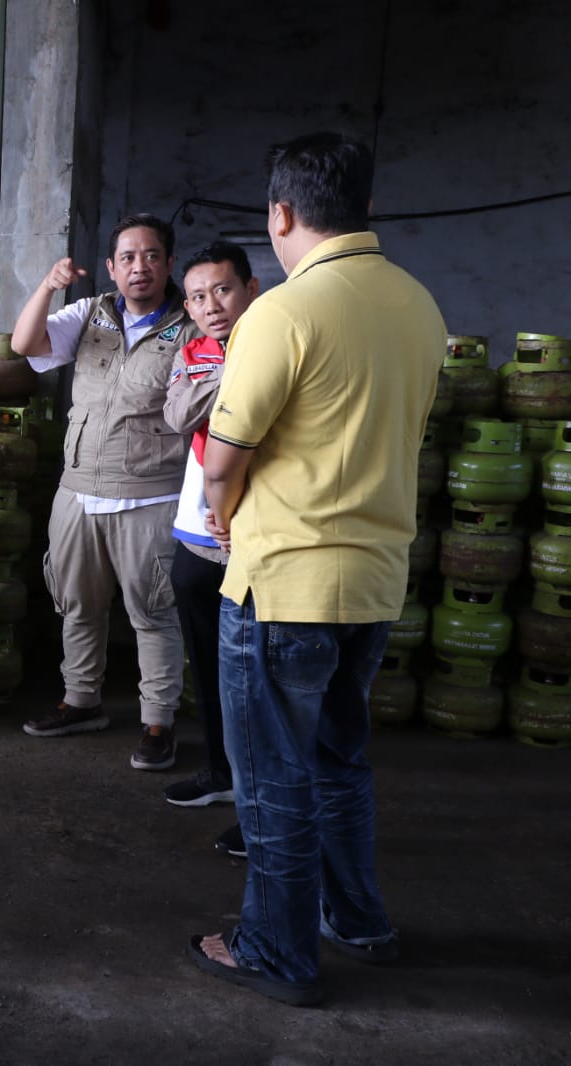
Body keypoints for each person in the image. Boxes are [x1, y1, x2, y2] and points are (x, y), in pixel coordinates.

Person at [187, 131, 445, 1006]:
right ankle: (359, 919)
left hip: (283, 584)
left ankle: (274, 948)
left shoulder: (285, 312)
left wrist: (221, 523)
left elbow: (223, 460)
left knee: (271, 780)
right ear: (365, 208)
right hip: (373, 582)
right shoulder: (419, 306)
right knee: (339, 761)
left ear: (281, 213)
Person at [10, 214, 193, 771]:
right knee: (78, 604)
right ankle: (80, 699)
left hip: (151, 494)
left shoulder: (191, 329)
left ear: (168, 263)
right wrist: (47, 285)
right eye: (129, 258)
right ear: (112, 268)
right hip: (79, 490)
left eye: (153, 256)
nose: (141, 267)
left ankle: (158, 722)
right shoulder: (89, 314)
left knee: (154, 612)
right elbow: (25, 344)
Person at [160, 242, 260, 859]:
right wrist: (231, 373)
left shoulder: (279, 342)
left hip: (250, 537)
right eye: (197, 296)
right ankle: (222, 773)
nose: (210, 306)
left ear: (249, 288)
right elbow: (177, 415)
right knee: (209, 664)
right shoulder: (192, 351)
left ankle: (260, 811)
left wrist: (229, 373)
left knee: (255, 675)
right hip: (196, 536)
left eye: (221, 290)